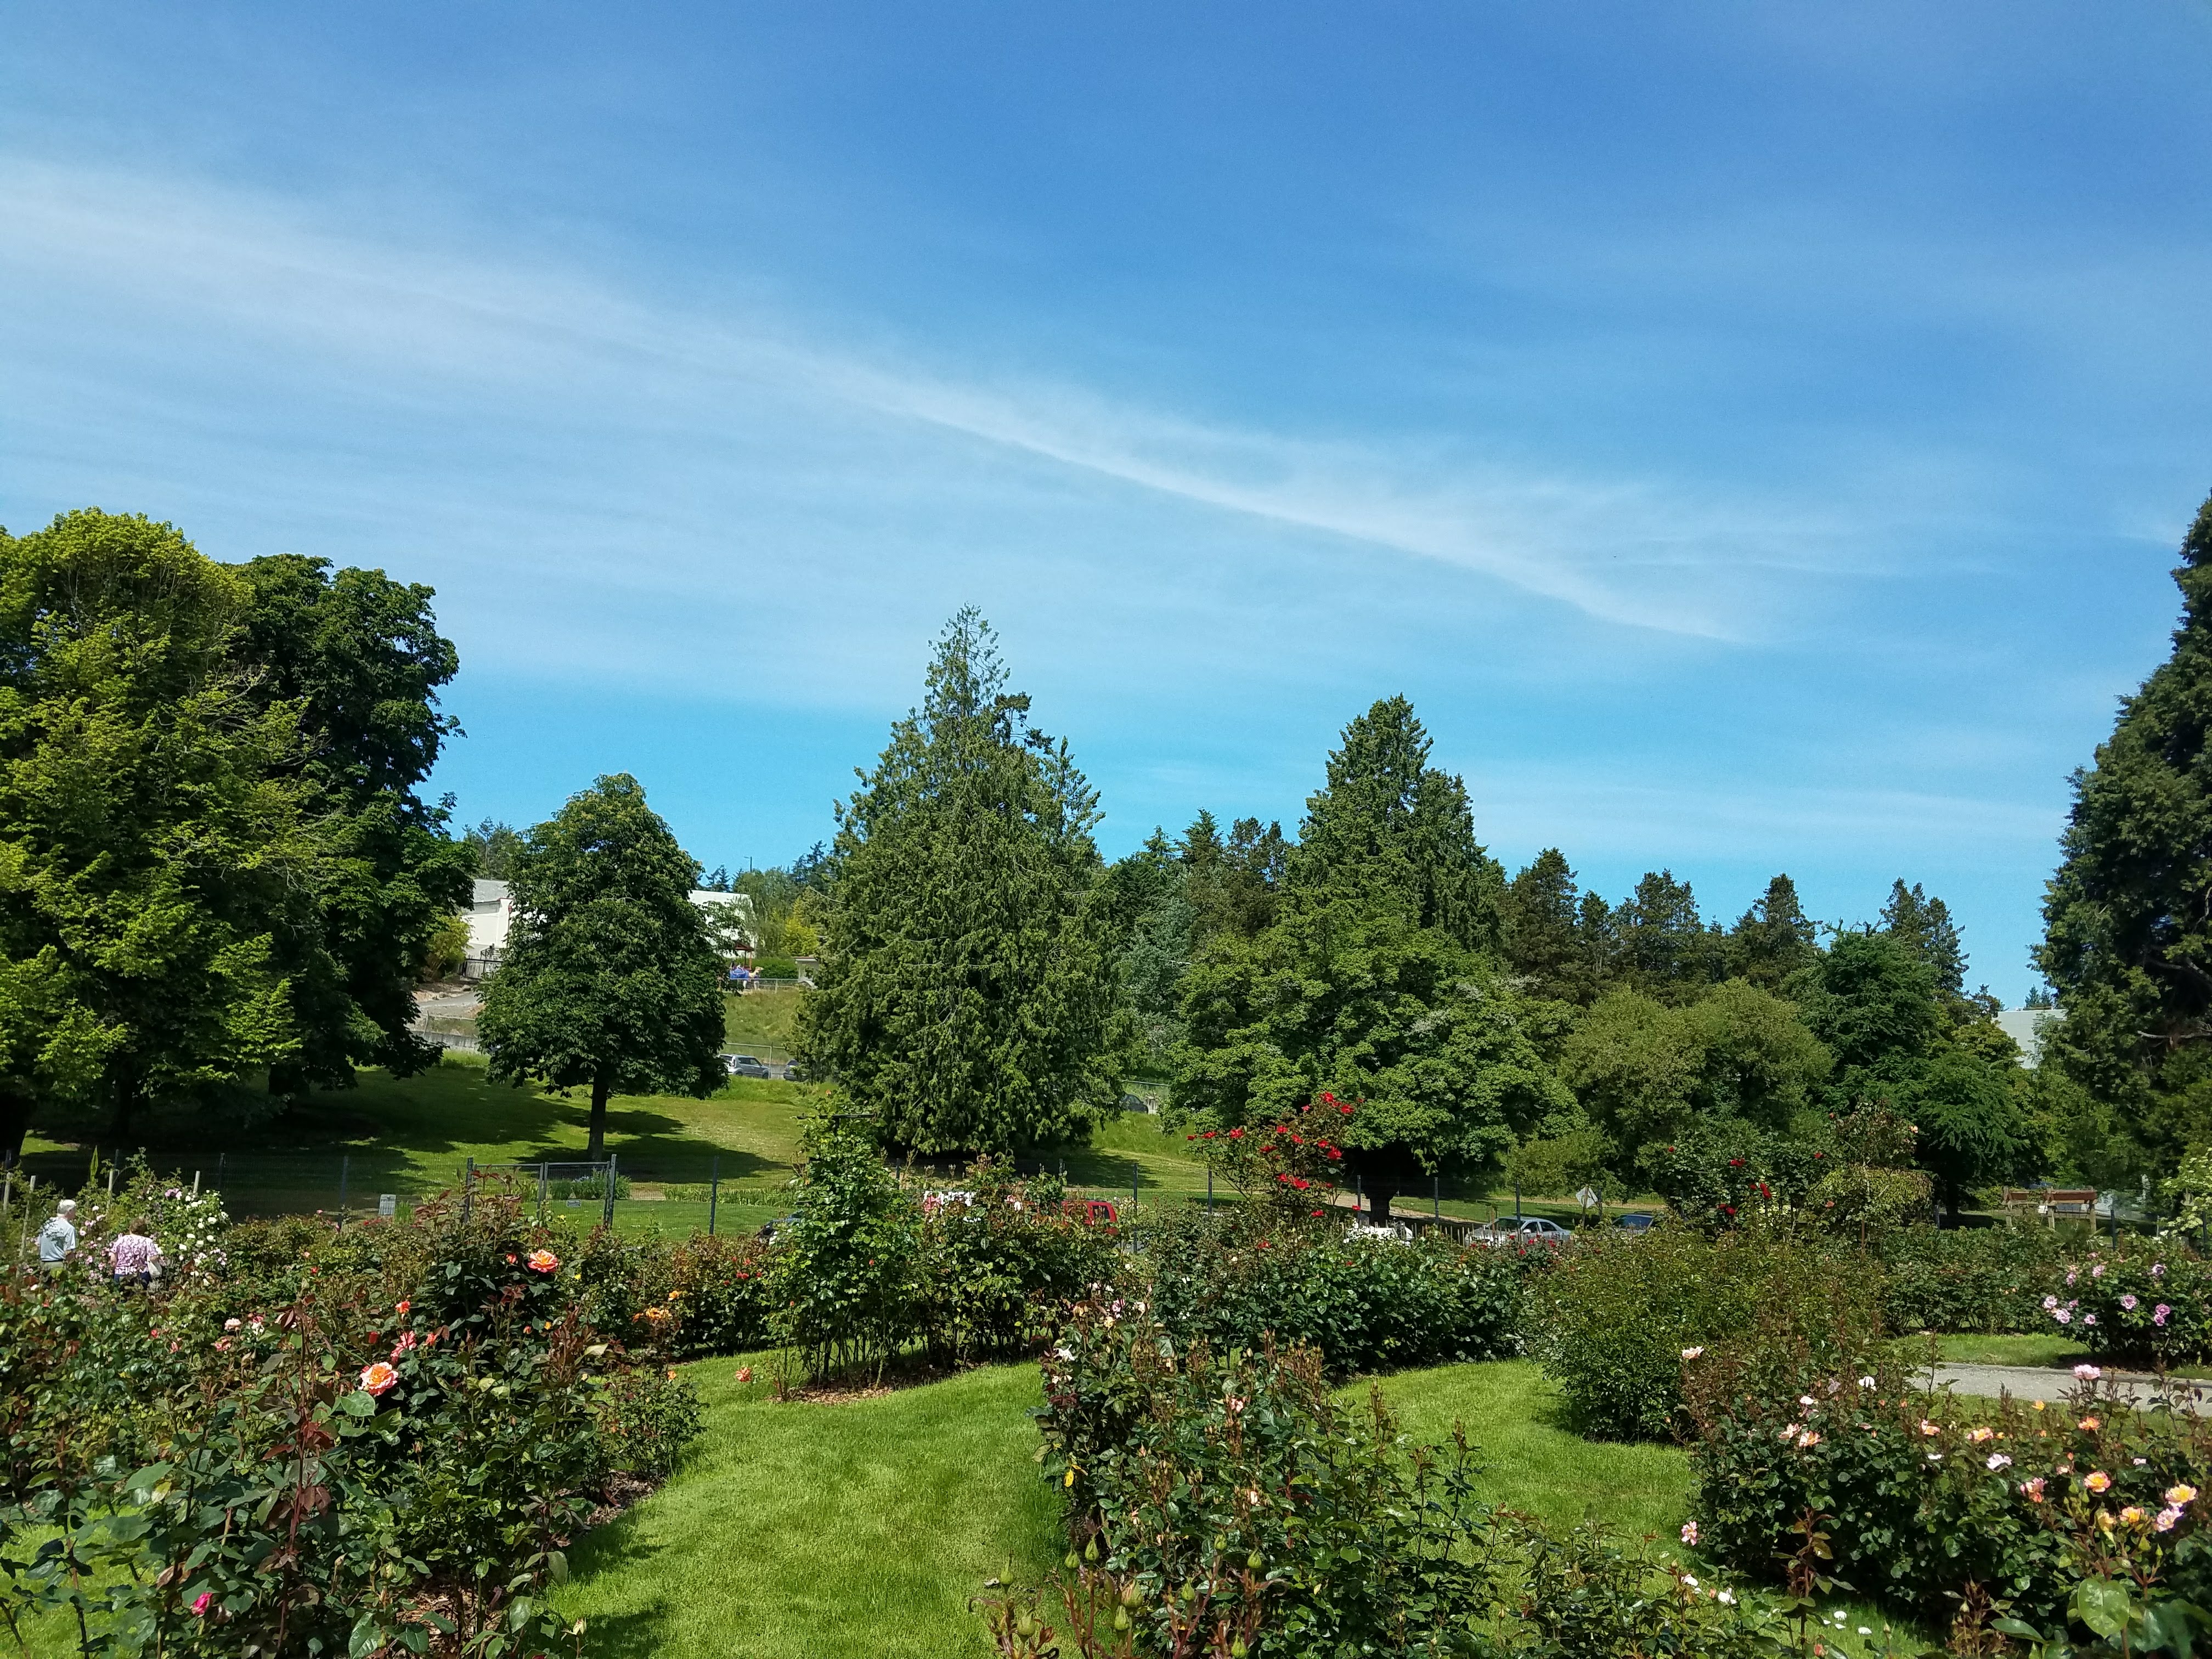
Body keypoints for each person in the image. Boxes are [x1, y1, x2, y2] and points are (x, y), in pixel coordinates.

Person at [108, 1218, 159, 1291]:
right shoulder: (147, 1241)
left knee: (120, 1299)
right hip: (140, 1275)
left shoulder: (121, 1240)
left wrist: (116, 1269)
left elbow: (113, 1260)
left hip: (121, 1274)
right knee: (139, 1298)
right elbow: (153, 1258)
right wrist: (158, 1257)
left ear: (131, 1229)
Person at [35, 1198, 78, 1270]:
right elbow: (69, 1253)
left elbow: (39, 1244)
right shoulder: (69, 1228)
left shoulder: (47, 1224)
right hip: (58, 1266)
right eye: (75, 1210)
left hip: (43, 1265)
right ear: (70, 1211)